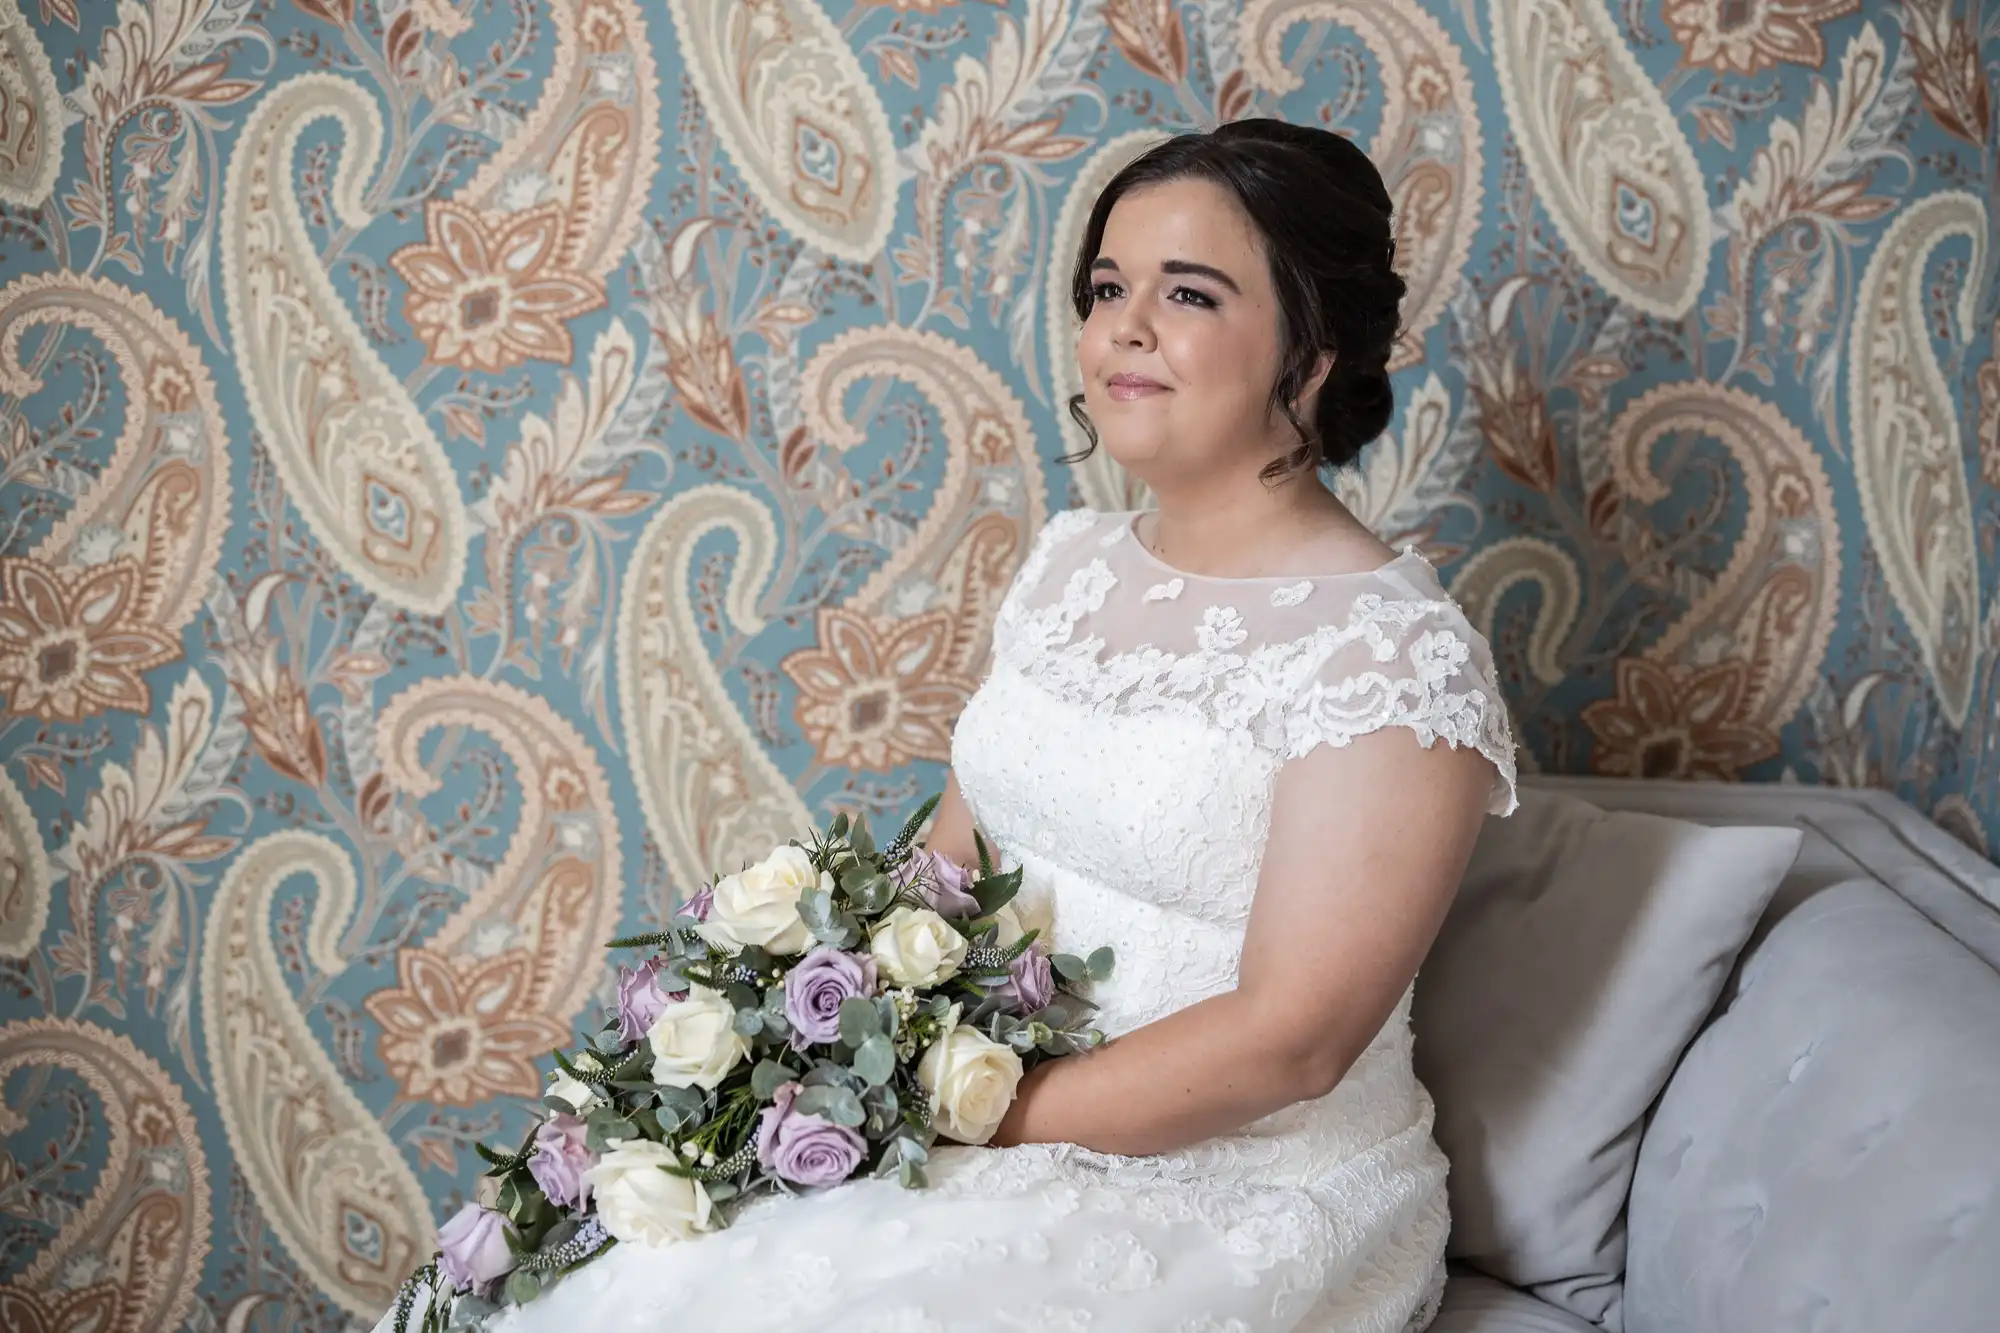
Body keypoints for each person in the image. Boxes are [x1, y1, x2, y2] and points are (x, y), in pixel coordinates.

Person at [440, 117, 1517, 1333]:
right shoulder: (1072, 564)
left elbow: (1292, 1042)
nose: (1123, 327)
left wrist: (966, 1106)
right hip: (987, 1104)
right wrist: (801, 1049)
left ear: (1313, 346)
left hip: (1238, 1177)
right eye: (1107, 287)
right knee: (627, 1257)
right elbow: (948, 875)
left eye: (1189, 294)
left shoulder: (1386, 654)